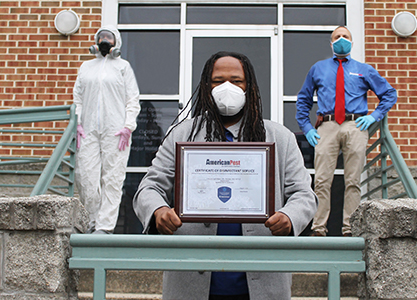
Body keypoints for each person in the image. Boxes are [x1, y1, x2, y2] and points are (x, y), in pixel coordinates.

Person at [134, 51, 316, 300]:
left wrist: (289, 216)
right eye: (217, 81)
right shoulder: (181, 134)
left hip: (263, 282)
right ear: (206, 88)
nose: (227, 87)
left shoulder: (279, 137)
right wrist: (158, 212)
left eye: (236, 80)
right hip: (191, 282)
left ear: (249, 86)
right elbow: (149, 187)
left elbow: (303, 194)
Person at [296, 26, 397, 237]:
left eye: (346, 36)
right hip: (327, 126)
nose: (342, 39)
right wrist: (306, 128)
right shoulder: (318, 69)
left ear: (352, 42)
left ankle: (349, 229)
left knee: (353, 180)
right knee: (322, 180)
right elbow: (304, 99)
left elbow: (388, 94)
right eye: (337, 37)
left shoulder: (364, 69)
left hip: (355, 125)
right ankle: (319, 229)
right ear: (331, 43)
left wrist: (374, 116)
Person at [73, 25, 140, 234]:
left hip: (116, 131)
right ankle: (92, 219)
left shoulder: (123, 67)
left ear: (116, 42)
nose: (104, 40)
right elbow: (78, 99)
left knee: (112, 178)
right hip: (88, 130)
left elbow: (132, 99)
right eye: (101, 37)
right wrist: (77, 123)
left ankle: (105, 226)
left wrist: (128, 126)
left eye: (109, 37)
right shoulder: (86, 67)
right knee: (86, 176)